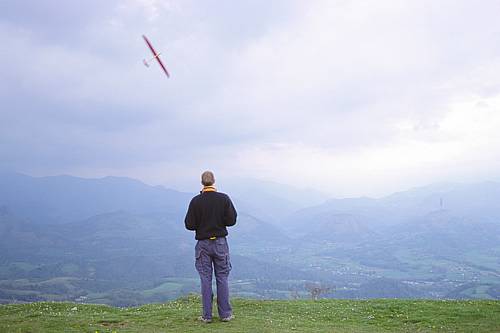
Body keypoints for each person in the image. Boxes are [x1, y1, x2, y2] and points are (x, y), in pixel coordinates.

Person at [184, 170, 237, 323]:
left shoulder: (196, 201)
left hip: (203, 244)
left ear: (202, 183)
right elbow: (232, 220)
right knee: (222, 277)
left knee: (205, 279)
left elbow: (189, 225)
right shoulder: (224, 199)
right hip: (220, 243)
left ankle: (207, 316)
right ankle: (225, 314)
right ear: (214, 181)